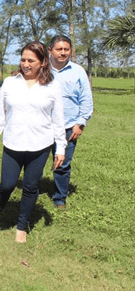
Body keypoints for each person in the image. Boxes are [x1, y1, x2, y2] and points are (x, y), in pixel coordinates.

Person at [0, 41, 67, 243]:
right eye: (23, 60)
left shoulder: (52, 85)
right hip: (13, 143)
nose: (26, 64)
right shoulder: (11, 82)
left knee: (30, 186)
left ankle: (21, 226)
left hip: (40, 146)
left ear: (42, 62)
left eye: (31, 60)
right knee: (7, 184)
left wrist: (60, 148)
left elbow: (58, 119)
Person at [48, 35, 93, 209]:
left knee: (63, 163)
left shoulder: (78, 71)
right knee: (35, 161)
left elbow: (86, 99)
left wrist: (80, 123)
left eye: (66, 49)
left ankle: (60, 198)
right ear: (50, 50)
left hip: (69, 127)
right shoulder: (42, 69)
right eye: (59, 49)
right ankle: (32, 192)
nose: (63, 53)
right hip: (43, 125)